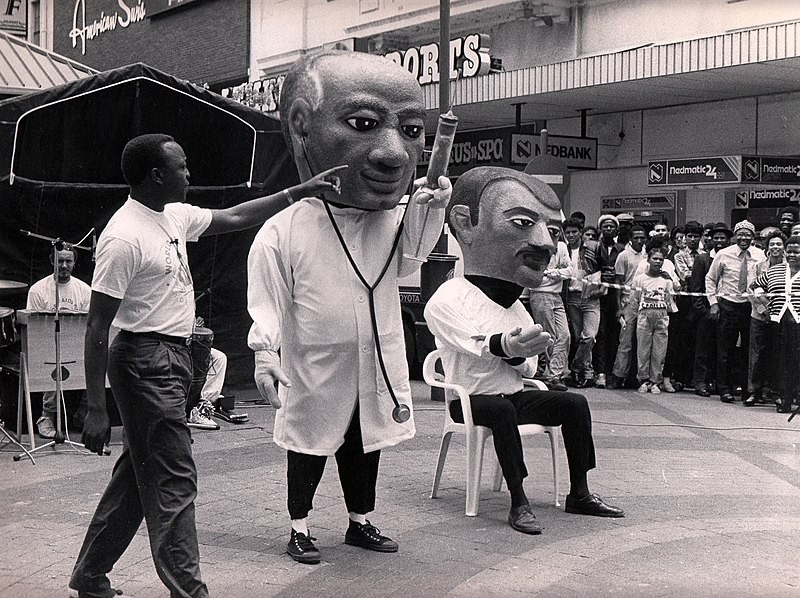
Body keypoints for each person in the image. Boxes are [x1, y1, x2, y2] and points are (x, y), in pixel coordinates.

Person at [70, 133, 342, 598]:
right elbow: (97, 328)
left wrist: (301, 191)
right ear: (157, 175)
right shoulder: (123, 237)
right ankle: (190, 591)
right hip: (144, 359)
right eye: (182, 166)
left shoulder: (171, 215)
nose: (189, 174)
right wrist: (95, 406)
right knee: (174, 477)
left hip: (174, 357)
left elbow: (237, 216)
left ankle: (90, 575)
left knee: (140, 476)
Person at [247, 50, 451, 566]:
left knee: (364, 447)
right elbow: (266, 303)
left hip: (373, 360)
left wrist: (432, 202)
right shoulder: (285, 228)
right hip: (313, 367)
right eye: (363, 124)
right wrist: (264, 354)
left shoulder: (391, 221)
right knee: (309, 448)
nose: (394, 155)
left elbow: (416, 252)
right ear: (301, 129)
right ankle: (299, 527)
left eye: (410, 130)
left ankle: (360, 521)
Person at [424, 166, 623, 536]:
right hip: (471, 398)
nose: (546, 244)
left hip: (513, 395)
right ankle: (519, 500)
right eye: (521, 222)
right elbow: (472, 342)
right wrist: (507, 346)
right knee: (499, 409)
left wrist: (519, 353)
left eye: (552, 231)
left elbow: (528, 369)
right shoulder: (448, 297)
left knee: (574, 404)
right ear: (465, 224)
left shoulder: (517, 305)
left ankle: (579, 492)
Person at [26, 245, 91, 438]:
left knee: (97, 361)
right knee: (53, 361)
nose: (64, 265)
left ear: (74, 262)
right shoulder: (38, 290)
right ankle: (46, 416)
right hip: (47, 346)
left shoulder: (84, 290)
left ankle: (84, 413)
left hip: (76, 345)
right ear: (52, 261)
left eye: (68, 261)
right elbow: (32, 327)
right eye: (60, 261)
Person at [705, 220, 766, 403]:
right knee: (725, 350)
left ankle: (748, 390)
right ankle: (725, 389)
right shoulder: (724, 254)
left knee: (749, 350)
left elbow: (764, 280)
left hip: (750, 306)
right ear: (734, 236)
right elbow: (710, 279)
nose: (744, 238)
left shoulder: (760, 255)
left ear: (753, 237)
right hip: (728, 305)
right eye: (740, 234)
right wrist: (713, 303)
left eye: (748, 234)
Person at [752, 235, 800, 414]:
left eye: (797, 251)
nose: (792, 255)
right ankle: (784, 400)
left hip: (798, 324)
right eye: (790, 251)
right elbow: (756, 286)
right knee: (781, 363)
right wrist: (765, 304)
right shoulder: (775, 271)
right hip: (778, 324)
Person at [528, 222, 573, 390]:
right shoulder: (535, 246)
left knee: (565, 335)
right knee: (550, 336)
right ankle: (553, 375)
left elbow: (569, 271)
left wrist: (554, 274)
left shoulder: (561, 247)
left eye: (555, 231)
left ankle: (554, 373)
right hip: (540, 295)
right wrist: (553, 275)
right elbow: (535, 277)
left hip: (556, 295)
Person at [689, 223, 731, 397]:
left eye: (723, 238)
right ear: (710, 240)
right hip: (706, 313)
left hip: (727, 312)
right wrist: (703, 312)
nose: (719, 241)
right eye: (716, 238)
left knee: (721, 350)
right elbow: (696, 288)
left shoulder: (730, 257)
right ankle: (700, 381)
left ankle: (715, 381)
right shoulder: (703, 259)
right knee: (703, 349)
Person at [633, 241, 680, 393]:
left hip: (661, 317)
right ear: (648, 260)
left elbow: (670, 299)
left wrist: (671, 281)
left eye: (661, 259)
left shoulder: (666, 280)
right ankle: (644, 380)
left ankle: (655, 381)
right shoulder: (640, 279)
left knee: (659, 351)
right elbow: (635, 299)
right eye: (655, 259)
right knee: (643, 350)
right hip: (644, 316)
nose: (658, 262)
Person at [745, 231, 785, 407]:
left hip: (782, 317)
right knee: (756, 354)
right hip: (759, 316)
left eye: (778, 244)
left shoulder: (789, 267)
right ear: (767, 248)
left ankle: (775, 392)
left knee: (777, 354)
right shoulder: (758, 267)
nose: (775, 247)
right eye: (772, 244)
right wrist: (763, 310)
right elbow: (751, 290)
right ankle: (754, 391)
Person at [562, 218, 602, 388]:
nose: (571, 235)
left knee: (589, 336)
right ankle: (586, 373)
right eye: (568, 232)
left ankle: (576, 367)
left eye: (574, 232)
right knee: (579, 337)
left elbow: (606, 269)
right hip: (571, 297)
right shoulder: (563, 250)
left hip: (590, 297)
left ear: (580, 232)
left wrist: (601, 288)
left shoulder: (592, 248)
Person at [609, 225, 648, 389]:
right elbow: (618, 282)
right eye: (636, 237)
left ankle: (635, 377)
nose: (639, 241)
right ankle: (618, 375)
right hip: (627, 301)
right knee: (625, 341)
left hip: (645, 301)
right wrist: (618, 308)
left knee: (642, 342)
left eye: (642, 237)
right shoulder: (623, 256)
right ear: (631, 239)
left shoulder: (648, 255)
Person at [671, 221, 705, 390]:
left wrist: (696, 274)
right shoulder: (679, 255)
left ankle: (694, 377)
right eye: (689, 236)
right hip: (684, 301)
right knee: (682, 340)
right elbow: (685, 275)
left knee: (698, 340)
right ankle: (680, 377)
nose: (692, 239)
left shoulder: (705, 254)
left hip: (699, 300)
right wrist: (698, 273)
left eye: (695, 236)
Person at [593, 215, 625, 388]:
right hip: (599, 295)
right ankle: (601, 372)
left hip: (616, 296)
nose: (608, 229)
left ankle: (613, 372)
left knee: (615, 335)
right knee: (601, 334)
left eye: (612, 227)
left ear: (616, 230)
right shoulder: (595, 247)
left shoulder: (621, 249)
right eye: (605, 226)